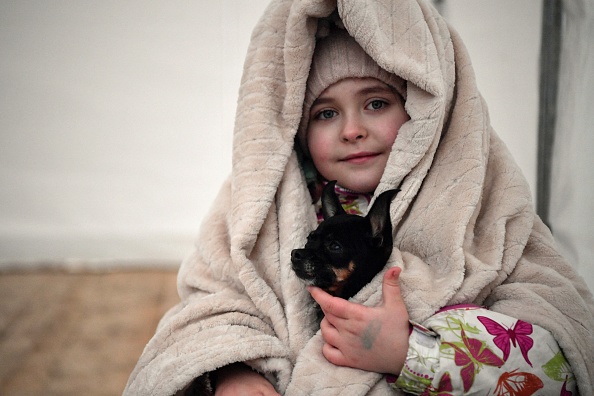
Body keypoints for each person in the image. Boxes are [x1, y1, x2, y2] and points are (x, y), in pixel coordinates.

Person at [125, 1, 594, 395]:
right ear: (298, 129)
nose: (352, 130)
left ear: (423, 110)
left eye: (376, 103)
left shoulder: (484, 202)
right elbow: (210, 309)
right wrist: (233, 372)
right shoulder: (258, 205)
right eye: (327, 113)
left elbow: (562, 353)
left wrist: (413, 352)